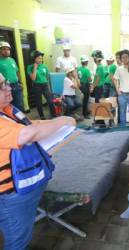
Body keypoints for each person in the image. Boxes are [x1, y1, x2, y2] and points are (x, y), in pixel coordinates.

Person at [0, 72, 76, 249]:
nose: (9, 88)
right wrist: (62, 120)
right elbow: (27, 134)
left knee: (21, 234)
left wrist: (49, 124)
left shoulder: (7, 109)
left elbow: (29, 125)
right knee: (17, 242)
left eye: (7, 82)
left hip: (23, 189)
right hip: (10, 195)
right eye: (1, 86)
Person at [27, 50, 56, 120]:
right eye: (38, 58)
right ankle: (42, 116)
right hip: (36, 86)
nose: (41, 59)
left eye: (41, 58)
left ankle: (53, 114)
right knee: (38, 102)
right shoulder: (30, 67)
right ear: (34, 58)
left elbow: (46, 77)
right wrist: (35, 68)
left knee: (50, 100)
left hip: (45, 85)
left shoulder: (44, 66)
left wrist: (45, 82)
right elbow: (33, 78)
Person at [0, 41, 23, 111]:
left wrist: (20, 82)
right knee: (8, 108)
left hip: (16, 86)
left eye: (8, 49)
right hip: (5, 88)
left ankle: (19, 121)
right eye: (4, 49)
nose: (6, 51)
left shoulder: (12, 60)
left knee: (19, 106)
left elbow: (16, 71)